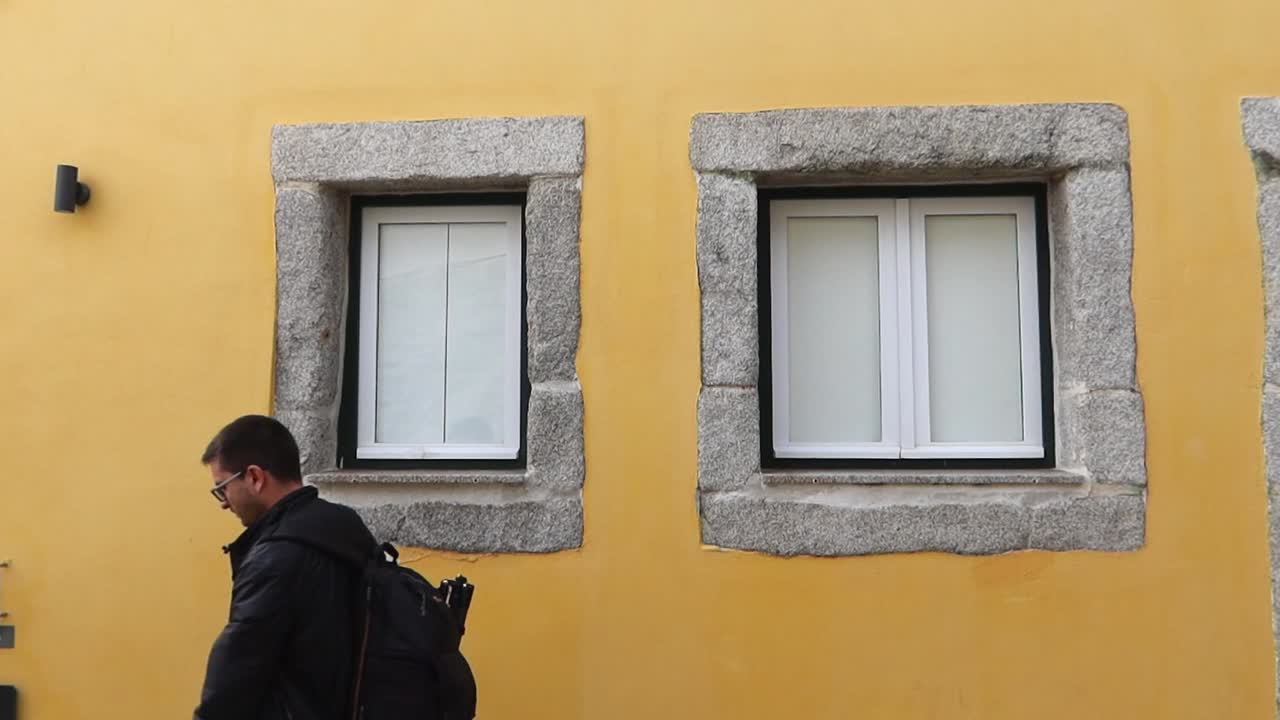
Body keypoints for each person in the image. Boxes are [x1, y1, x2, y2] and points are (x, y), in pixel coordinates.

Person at [194, 415, 377, 720]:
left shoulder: (275, 557)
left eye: (222, 488)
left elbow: (236, 671)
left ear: (254, 477)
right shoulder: (346, 526)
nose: (223, 503)